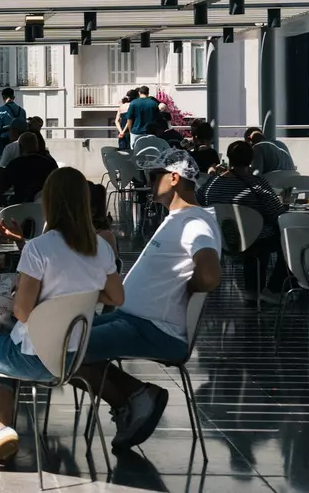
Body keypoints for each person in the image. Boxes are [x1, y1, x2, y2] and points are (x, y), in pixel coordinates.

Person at [0, 167, 124, 470]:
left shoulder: (40, 248)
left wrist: (39, 298)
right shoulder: (100, 247)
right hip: (71, 359)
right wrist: (80, 296)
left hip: (32, 357)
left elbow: (22, 312)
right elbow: (117, 298)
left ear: (49, 201)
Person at [69, 149, 221, 451]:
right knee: (57, 340)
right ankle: (134, 398)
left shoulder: (195, 223)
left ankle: (136, 396)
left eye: (154, 176)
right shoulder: (178, 219)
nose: (147, 182)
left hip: (154, 329)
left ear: (174, 178)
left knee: (62, 348)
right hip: (133, 321)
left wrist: (186, 289)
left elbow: (210, 273)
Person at [197, 141, 287, 305]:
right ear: (251, 160)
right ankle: (273, 288)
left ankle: (252, 291)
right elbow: (277, 215)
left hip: (222, 240)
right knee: (286, 239)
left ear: (229, 159)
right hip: (256, 241)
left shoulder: (212, 184)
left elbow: (199, 203)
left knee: (251, 236)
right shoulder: (258, 183)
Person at [0, 132, 58, 205]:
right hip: (44, 208)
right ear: (37, 146)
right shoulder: (49, 163)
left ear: (20, 147)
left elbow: (0, 189)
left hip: (21, 209)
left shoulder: (14, 164)